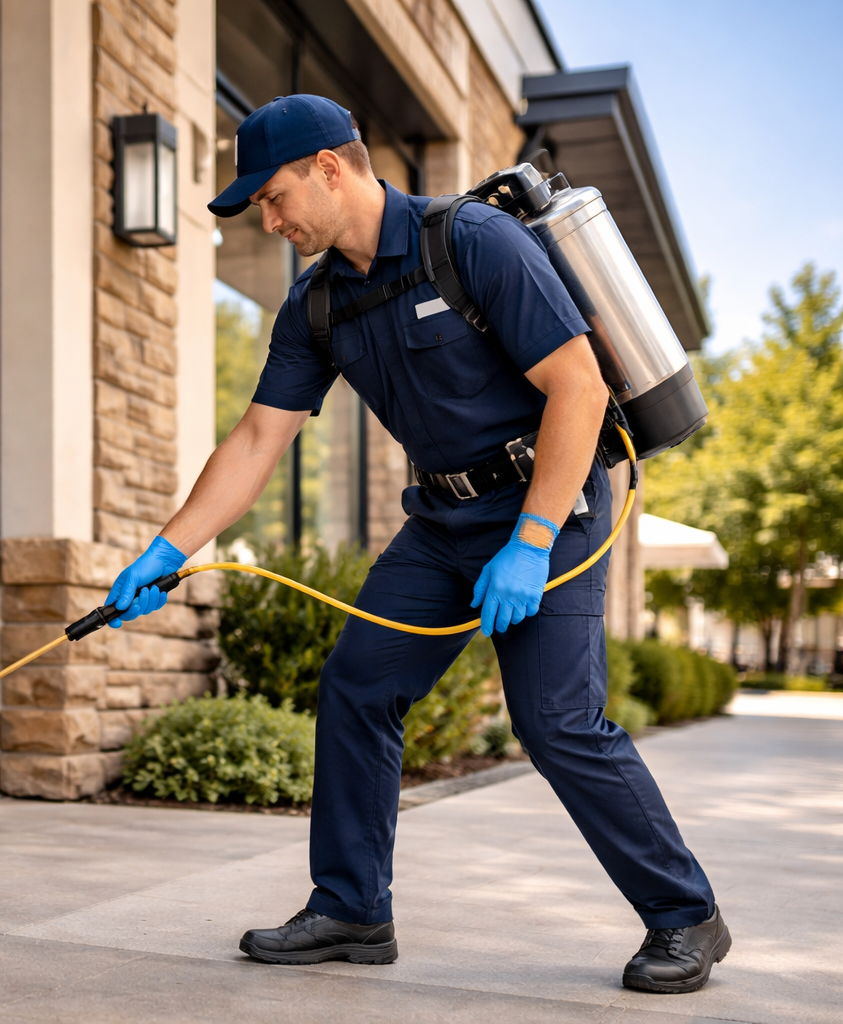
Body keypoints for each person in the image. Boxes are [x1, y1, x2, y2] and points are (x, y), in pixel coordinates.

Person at [105, 95, 730, 995]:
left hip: (547, 509)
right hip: (441, 525)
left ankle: (686, 917)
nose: (270, 221)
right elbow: (255, 442)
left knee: (555, 721)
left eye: (274, 198)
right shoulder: (317, 305)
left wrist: (532, 541)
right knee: (358, 684)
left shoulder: (472, 242)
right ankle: (352, 908)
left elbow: (579, 389)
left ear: (331, 166)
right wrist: (166, 549)